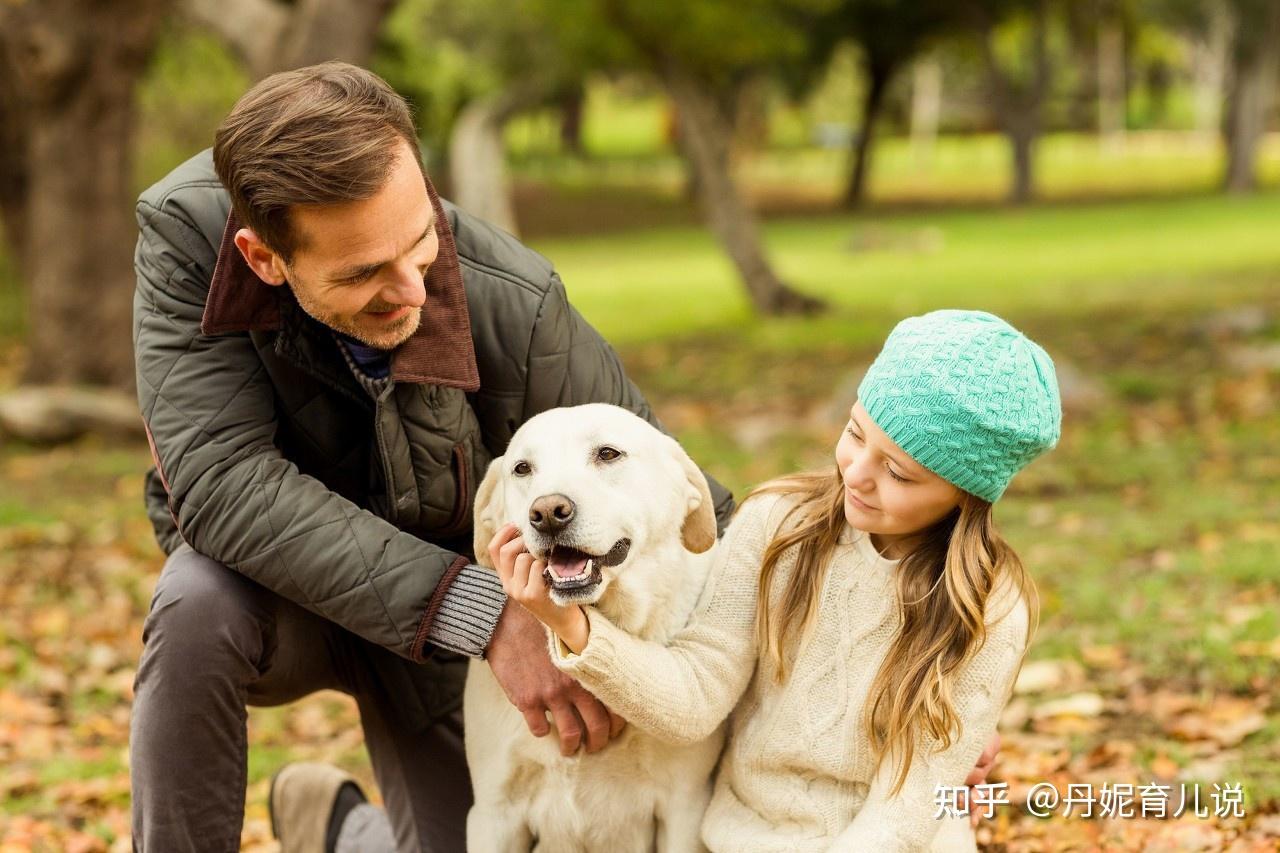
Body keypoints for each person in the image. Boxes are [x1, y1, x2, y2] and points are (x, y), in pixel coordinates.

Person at [127, 61, 739, 853]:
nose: (413, 290)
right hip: (291, 600)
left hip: (442, 639)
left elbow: (690, 500)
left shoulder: (516, 301)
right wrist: (489, 616)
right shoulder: (186, 239)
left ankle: (344, 830)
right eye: (361, 274)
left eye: (420, 242)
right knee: (194, 601)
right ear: (263, 258)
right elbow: (220, 485)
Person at [496, 309, 1061, 851]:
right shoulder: (778, 526)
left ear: (965, 494)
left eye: (897, 472)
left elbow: (907, 810)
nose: (857, 476)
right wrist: (570, 626)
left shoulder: (990, 606)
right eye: (856, 434)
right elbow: (695, 696)